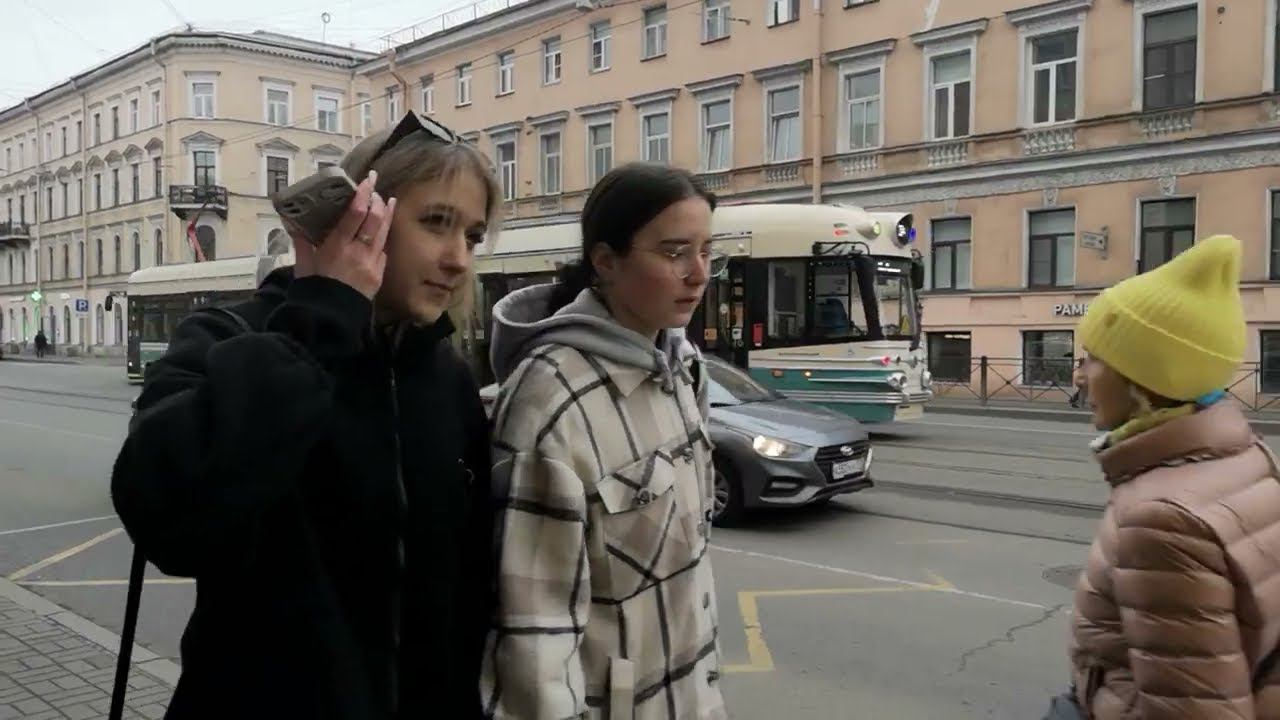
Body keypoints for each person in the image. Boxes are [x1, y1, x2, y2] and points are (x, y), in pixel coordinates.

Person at [111, 112, 500, 719]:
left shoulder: (444, 375)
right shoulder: (230, 337)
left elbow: (464, 591)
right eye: (435, 223)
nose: (458, 260)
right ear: (352, 216)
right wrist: (324, 316)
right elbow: (169, 518)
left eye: (472, 237)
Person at [480, 162, 728, 719]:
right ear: (606, 261)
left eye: (707, 251)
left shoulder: (683, 367)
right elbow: (535, 633)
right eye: (674, 252)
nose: (698, 274)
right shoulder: (551, 400)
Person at [1057, 235, 1280, 719]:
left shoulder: (1160, 519)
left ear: (1142, 380)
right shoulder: (1248, 456)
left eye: (1092, 358)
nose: (1079, 376)